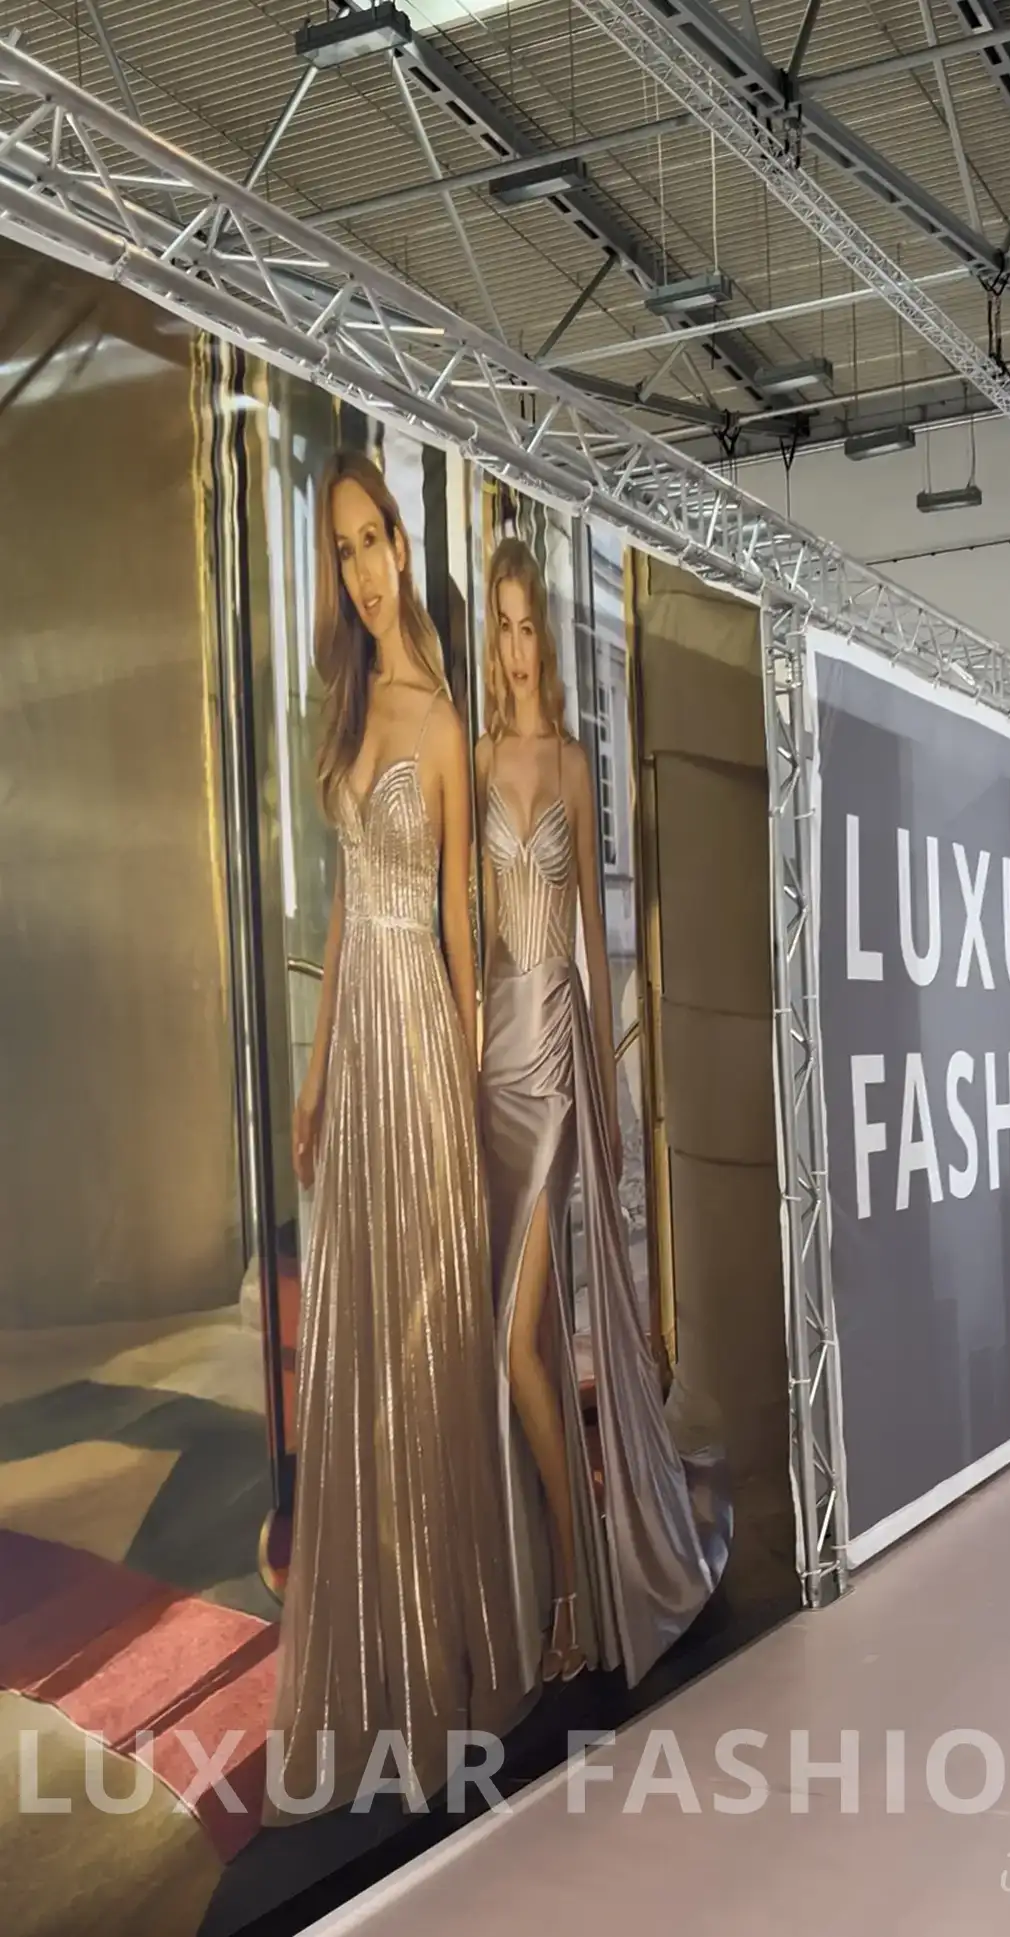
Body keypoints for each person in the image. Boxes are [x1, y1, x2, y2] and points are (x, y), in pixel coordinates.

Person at [266, 453, 527, 1821]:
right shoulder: (349, 703)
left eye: (375, 539)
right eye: (343, 549)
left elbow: (459, 929)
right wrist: (314, 1080)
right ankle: (368, 1650)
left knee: (422, 1330)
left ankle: (436, 1653)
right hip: (356, 1046)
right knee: (358, 1334)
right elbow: (340, 913)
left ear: (404, 546)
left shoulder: (437, 716)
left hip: (421, 1044)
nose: (364, 569)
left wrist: (474, 1089)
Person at [475, 535, 725, 1694]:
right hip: (496, 1054)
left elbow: (587, 932)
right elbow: (472, 929)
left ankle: (575, 1595)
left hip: (560, 1054)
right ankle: (547, 1577)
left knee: (520, 1331)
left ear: (547, 637)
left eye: (530, 625)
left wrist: (610, 1102)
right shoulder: (479, 760)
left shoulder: (573, 764)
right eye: (504, 627)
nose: (518, 647)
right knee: (514, 1339)